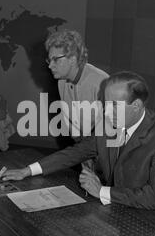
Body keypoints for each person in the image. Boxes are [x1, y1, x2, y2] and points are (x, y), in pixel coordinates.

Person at [3, 71, 155, 223]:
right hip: (121, 207)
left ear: (136, 106)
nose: (106, 112)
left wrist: (101, 191)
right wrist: (27, 171)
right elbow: (76, 152)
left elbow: (152, 198)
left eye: (114, 105)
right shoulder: (108, 124)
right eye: (105, 104)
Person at [45, 29, 109, 165]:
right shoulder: (61, 81)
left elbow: (114, 130)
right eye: (49, 60)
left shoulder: (101, 82)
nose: (50, 66)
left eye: (56, 60)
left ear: (73, 59)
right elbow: (72, 123)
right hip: (85, 148)